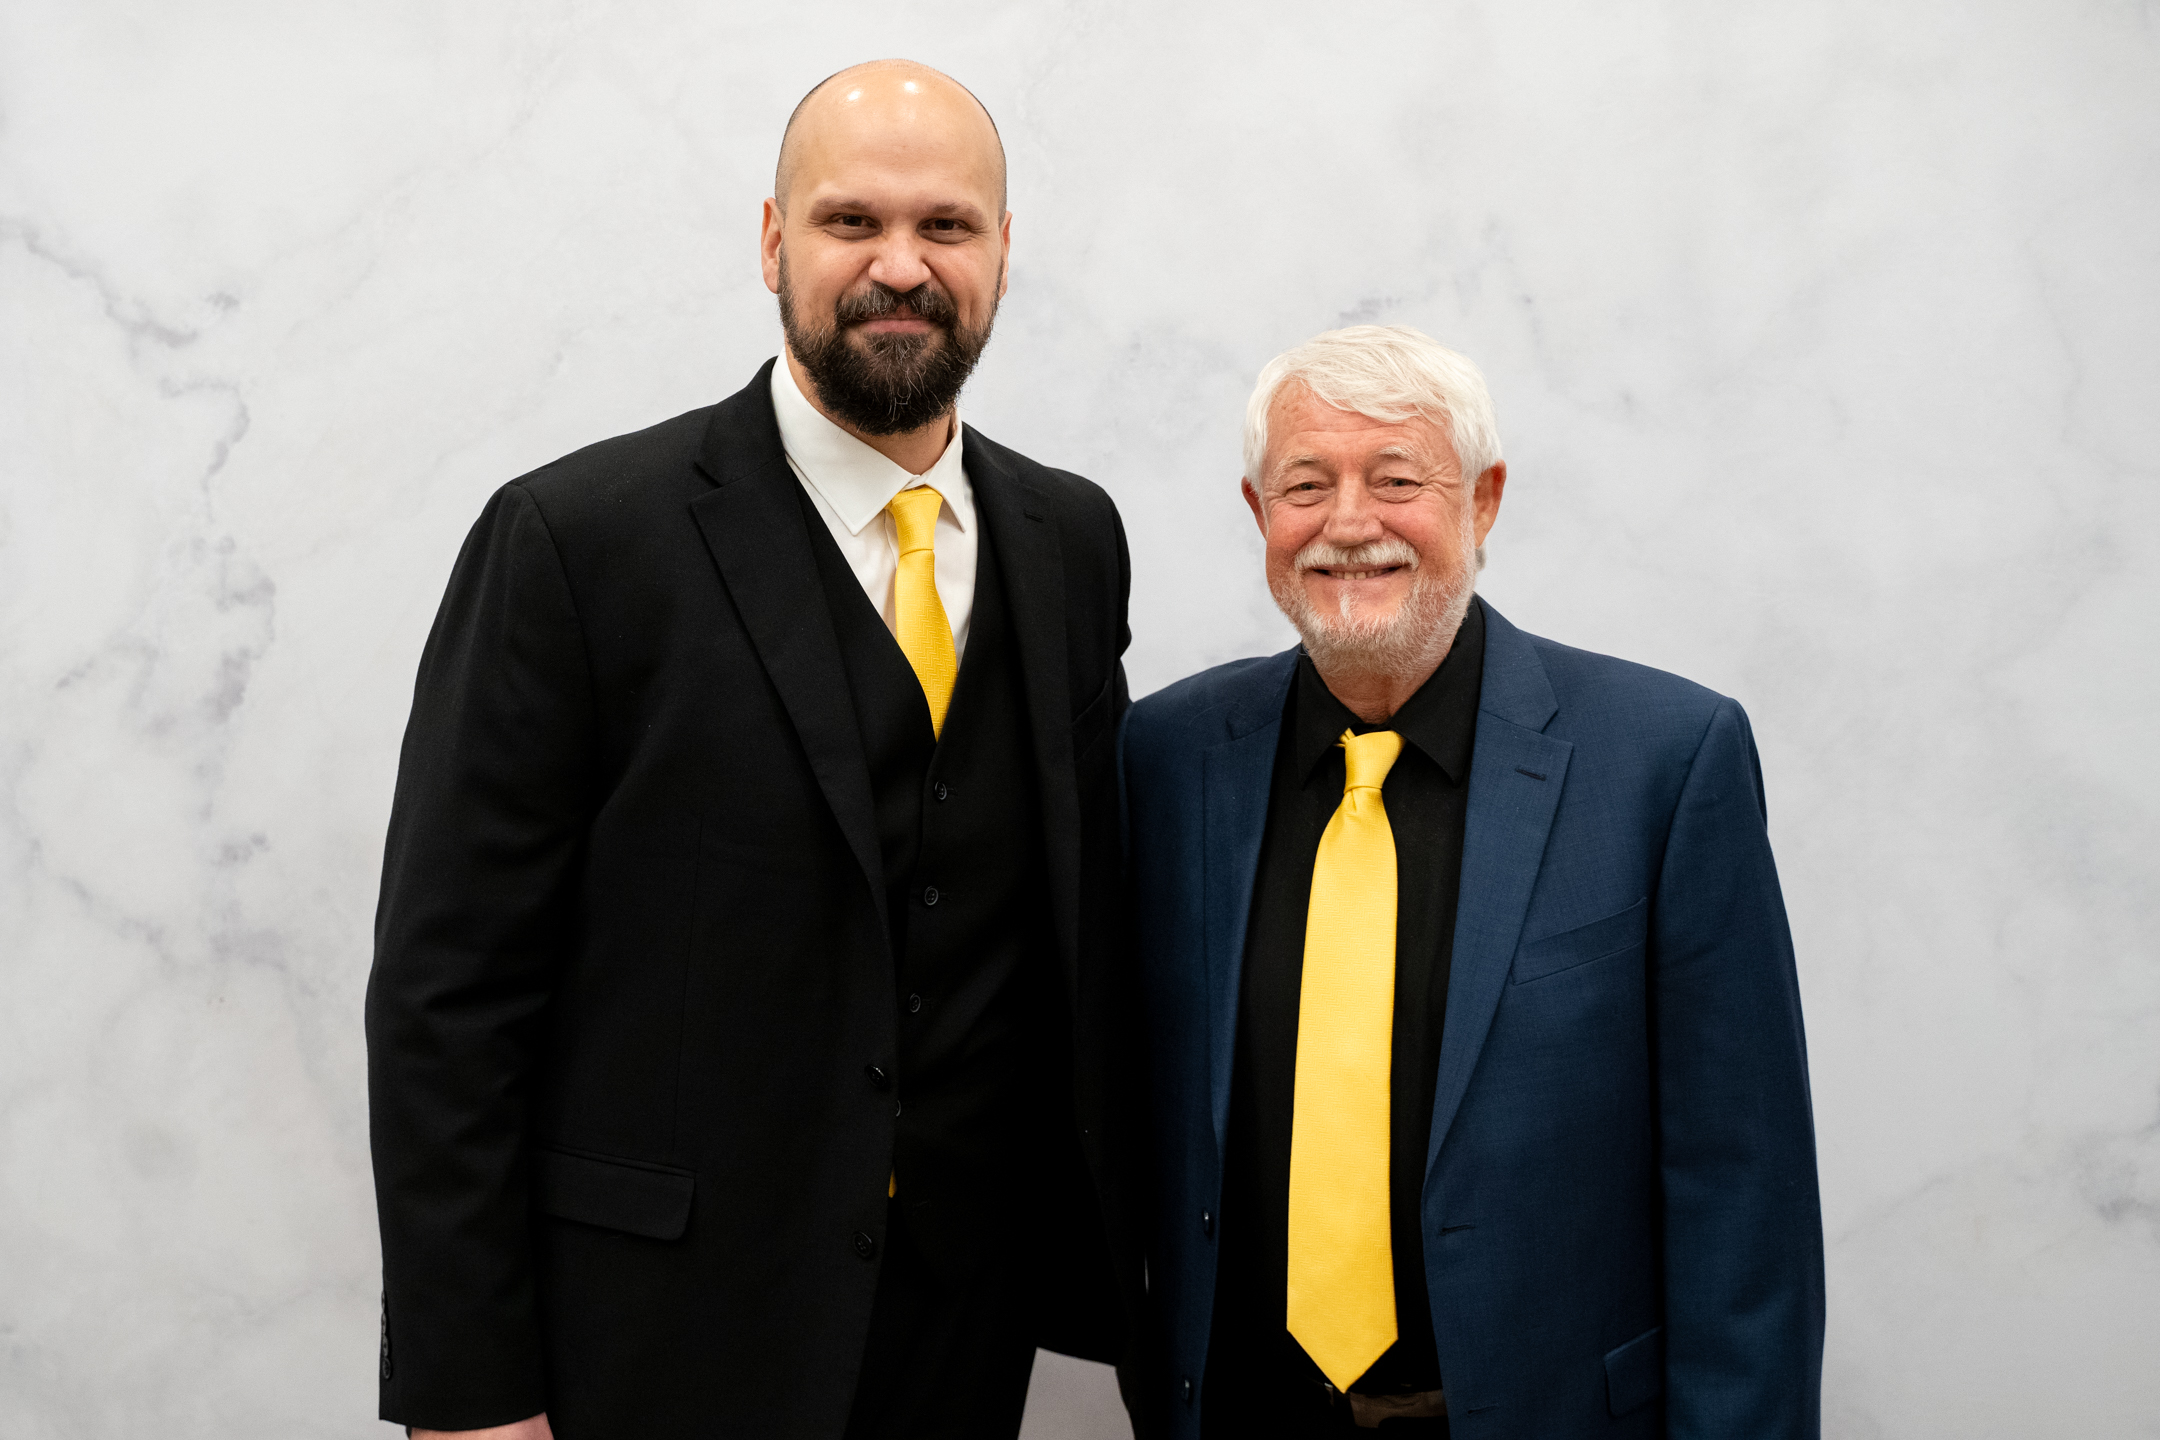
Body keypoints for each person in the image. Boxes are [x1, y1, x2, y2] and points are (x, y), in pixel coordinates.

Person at [366, 59, 1142, 1440]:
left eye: (946, 226)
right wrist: (469, 1393)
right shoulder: (576, 543)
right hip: (657, 1333)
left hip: (962, 1331)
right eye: (852, 221)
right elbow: (447, 998)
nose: (900, 265)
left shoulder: (1070, 538)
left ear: (1003, 251)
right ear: (774, 241)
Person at [1123, 326, 1823, 1438]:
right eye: (1306, 484)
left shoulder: (1665, 762)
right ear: (1260, 514)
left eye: (1397, 479)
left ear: (1484, 501)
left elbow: (1746, 1197)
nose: (1349, 522)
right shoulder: (1166, 760)